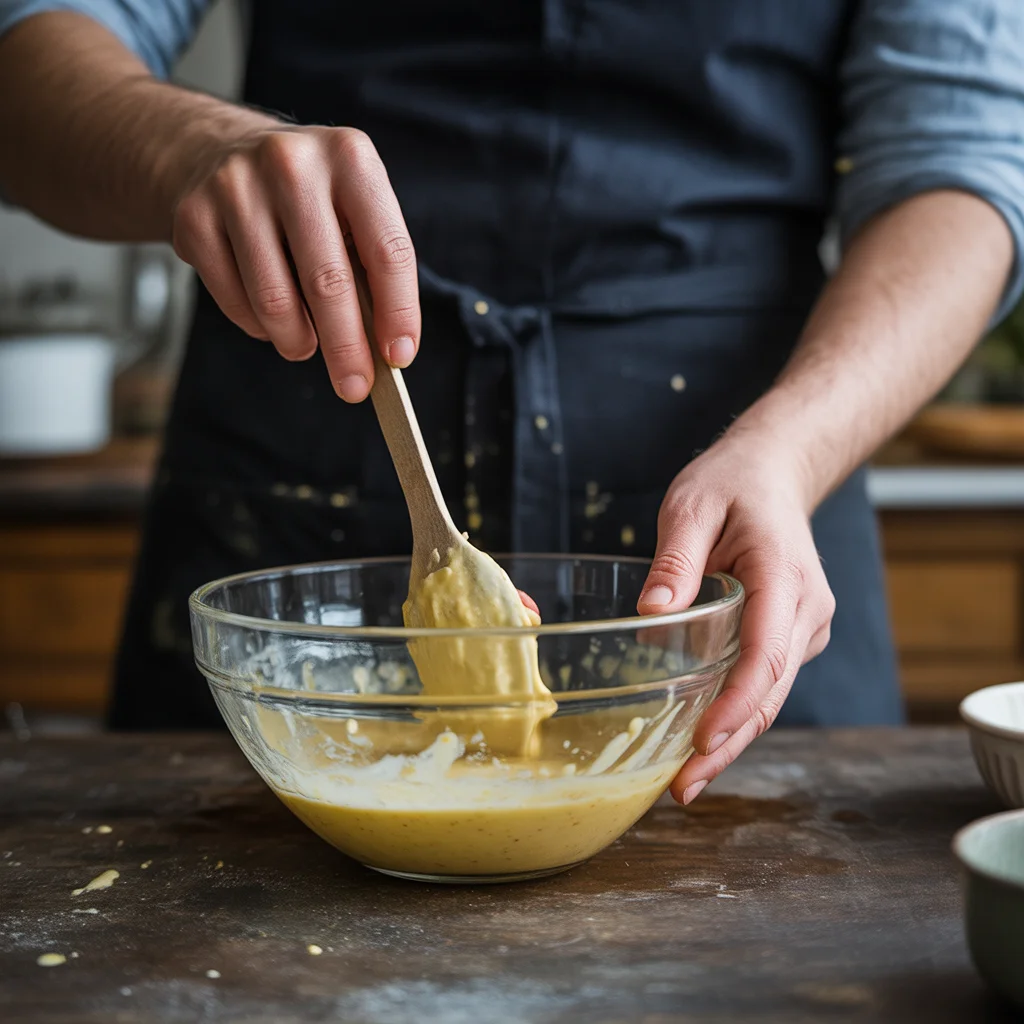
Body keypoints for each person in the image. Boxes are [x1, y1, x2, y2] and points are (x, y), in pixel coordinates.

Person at [1, 1, 1022, 805]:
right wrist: (184, 144)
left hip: (758, 509)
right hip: (299, 469)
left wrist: (791, 447)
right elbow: (29, 50)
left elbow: (964, 162)